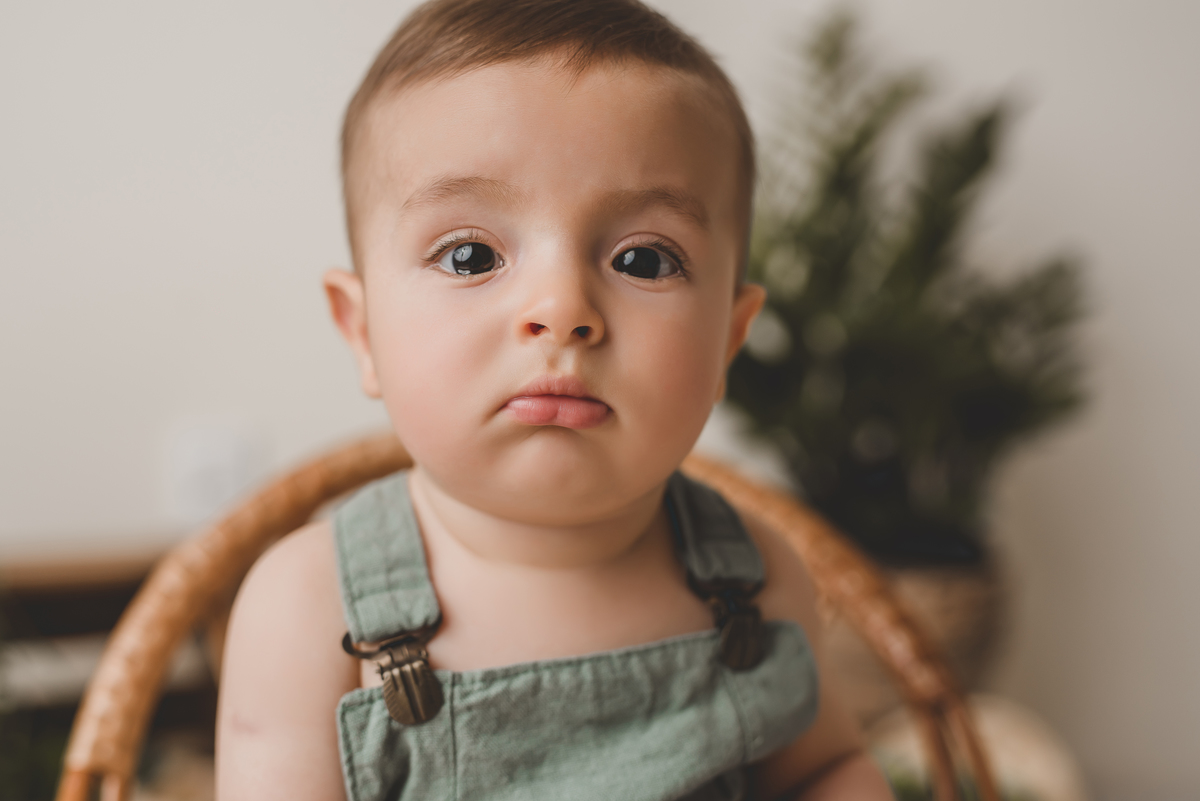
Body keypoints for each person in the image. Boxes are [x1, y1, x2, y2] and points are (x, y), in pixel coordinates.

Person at [216, 1, 894, 798]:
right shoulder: (306, 607)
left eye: (644, 259)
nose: (562, 307)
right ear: (363, 331)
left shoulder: (754, 579)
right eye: (470, 254)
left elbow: (825, 767)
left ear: (727, 343)